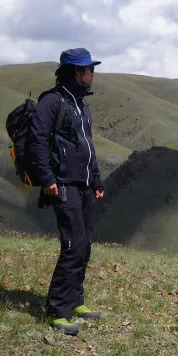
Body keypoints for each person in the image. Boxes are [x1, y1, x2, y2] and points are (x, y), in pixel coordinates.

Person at [28, 47, 105, 335]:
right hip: (62, 184)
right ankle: (57, 311)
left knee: (84, 246)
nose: (93, 74)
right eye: (89, 70)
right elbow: (37, 140)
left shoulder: (82, 105)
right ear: (77, 72)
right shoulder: (52, 101)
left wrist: (96, 180)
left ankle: (75, 302)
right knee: (73, 247)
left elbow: (88, 148)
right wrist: (47, 179)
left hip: (83, 186)